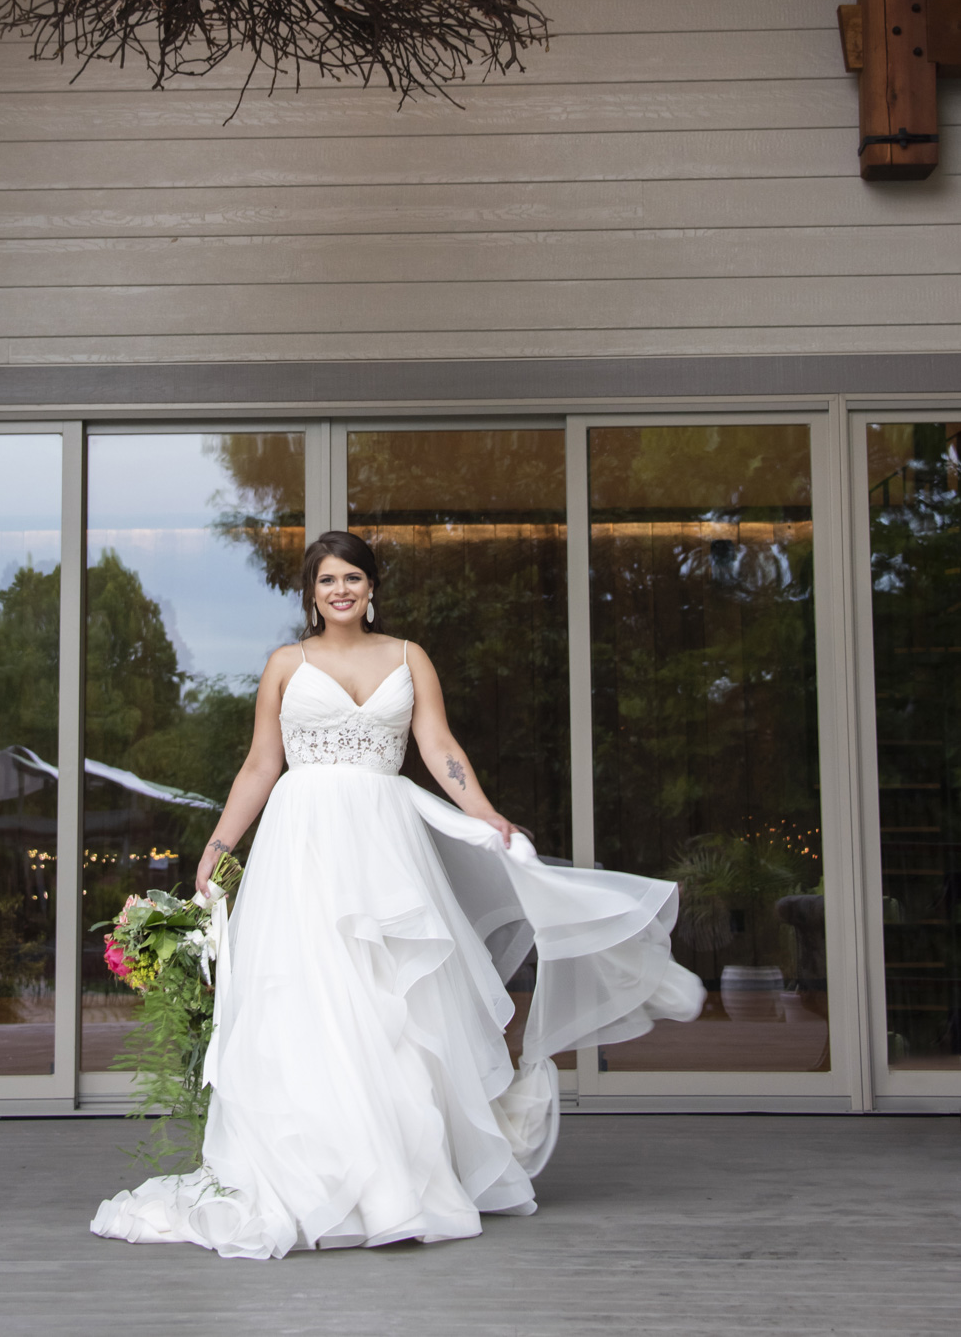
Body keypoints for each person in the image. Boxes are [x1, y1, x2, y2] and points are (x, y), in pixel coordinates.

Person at [92, 530, 703, 1260]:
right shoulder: (285, 664)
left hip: (383, 842)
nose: (340, 590)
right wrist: (220, 845)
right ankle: (323, 1175)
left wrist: (482, 811)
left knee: (393, 999)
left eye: (352, 577)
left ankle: (399, 1181)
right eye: (326, 581)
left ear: (371, 586)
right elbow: (260, 763)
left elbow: (439, 748)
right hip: (304, 844)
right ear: (310, 594)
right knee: (312, 994)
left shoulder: (409, 657)